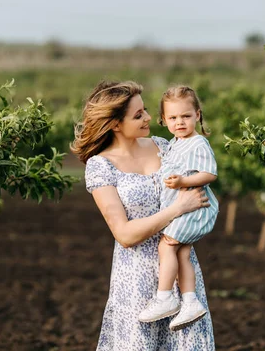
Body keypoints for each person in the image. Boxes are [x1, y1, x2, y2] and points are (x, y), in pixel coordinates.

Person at [71, 81, 215, 350]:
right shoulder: (101, 166)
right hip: (134, 280)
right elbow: (125, 235)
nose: (149, 117)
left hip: (179, 275)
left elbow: (199, 185)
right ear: (115, 124)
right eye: (138, 115)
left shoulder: (164, 146)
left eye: (145, 110)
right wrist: (177, 209)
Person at [138, 85, 219, 331]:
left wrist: (184, 181)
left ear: (198, 115)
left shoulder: (197, 143)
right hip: (184, 207)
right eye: (173, 118)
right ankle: (190, 301)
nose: (180, 122)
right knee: (182, 253)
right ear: (164, 120)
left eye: (185, 116)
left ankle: (165, 297)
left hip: (194, 206)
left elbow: (209, 174)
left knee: (166, 245)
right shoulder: (175, 143)